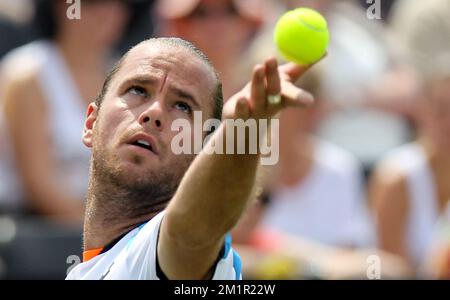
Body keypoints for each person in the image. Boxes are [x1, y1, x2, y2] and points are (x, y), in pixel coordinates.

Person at [65, 37, 317, 280]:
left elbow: (191, 234)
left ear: (202, 151)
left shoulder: (165, 252)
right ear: (91, 122)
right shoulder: (88, 268)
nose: (154, 113)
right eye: (138, 90)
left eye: (183, 106)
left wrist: (242, 131)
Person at [0, 0, 129, 220]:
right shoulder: (28, 73)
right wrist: (107, 236)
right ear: (61, 7)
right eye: (93, 4)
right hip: (35, 231)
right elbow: (40, 188)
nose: (108, 12)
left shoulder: (124, 73)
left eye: (117, 3)